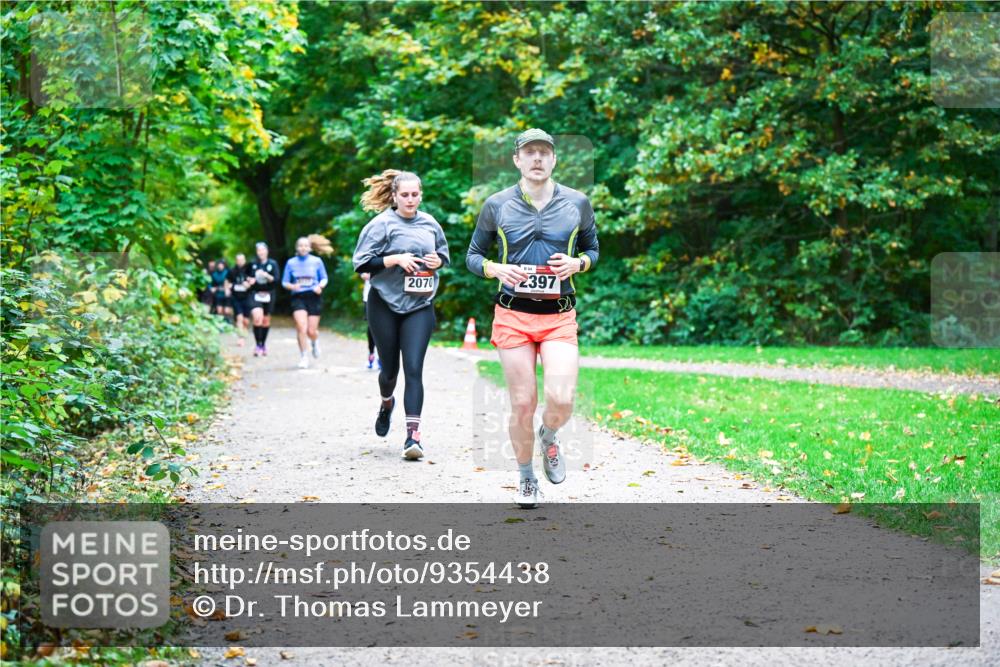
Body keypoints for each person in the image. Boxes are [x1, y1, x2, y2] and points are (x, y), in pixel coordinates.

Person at [466, 128, 599, 508]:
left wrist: (579, 263)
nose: (537, 159)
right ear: (517, 160)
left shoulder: (578, 203)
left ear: (554, 159)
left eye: (544, 152)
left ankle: (550, 435)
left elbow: (593, 249)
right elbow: (473, 255)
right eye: (530, 153)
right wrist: (495, 270)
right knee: (522, 402)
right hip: (513, 315)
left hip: (558, 316)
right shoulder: (496, 204)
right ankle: (526, 477)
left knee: (562, 397)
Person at [353, 169, 450, 460]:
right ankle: (386, 403)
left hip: (419, 305)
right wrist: (395, 259)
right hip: (383, 303)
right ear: (394, 196)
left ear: (421, 195)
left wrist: (436, 261)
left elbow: (443, 256)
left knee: (413, 367)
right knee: (390, 371)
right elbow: (361, 264)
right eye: (404, 195)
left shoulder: (430, 224)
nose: (410, 199)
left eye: (415, 194)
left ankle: (413, 438)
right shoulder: (380, 224)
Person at [282, 236, 328, 369]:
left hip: (314, 296)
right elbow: (285, 282)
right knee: (301, 327)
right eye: (300, 245)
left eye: (305, 245)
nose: (303, 248)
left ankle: (314, 341)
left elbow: (324, 278)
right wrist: (292, 287)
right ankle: (303, 356)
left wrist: (320, 286)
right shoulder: (291, 263)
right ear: (297, 248)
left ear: (309, 248)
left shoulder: (317, 261)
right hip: (298, 297)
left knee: (311, 331)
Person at [249, 242, 279, 357]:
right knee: (257, 318)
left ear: (267, 251)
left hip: (269, 294)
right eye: (258, 250)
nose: (261, 252)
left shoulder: (273, 264)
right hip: (256, 294)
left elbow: (276, 280)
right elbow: (248, 278)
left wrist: (267, 276)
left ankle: (263, 344)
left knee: (266, 321)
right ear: (256, 252)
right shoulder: (253, 264)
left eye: (263, 250)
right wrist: (250, 281)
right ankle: (257, 345)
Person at [229, 253, 254, 347]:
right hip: (236, 298)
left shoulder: (249, 270)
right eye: (238, 260)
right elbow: (227, 281)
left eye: (242, 260)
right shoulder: (232, 271)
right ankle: (240, 338)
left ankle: (244, 330)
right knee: (239, 318)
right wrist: (229, 287)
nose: (240, 262)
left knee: (246, 320)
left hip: (247, 297)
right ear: (236, 261)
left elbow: (253, 281)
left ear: (245, 260)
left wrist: (249, 284)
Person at [360, 272, 379, 370]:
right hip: (369, 296)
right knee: (371, 326)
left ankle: (382, 356)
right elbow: (362, 273)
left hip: (389, 297)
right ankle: (371, 353)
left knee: (384, 327)